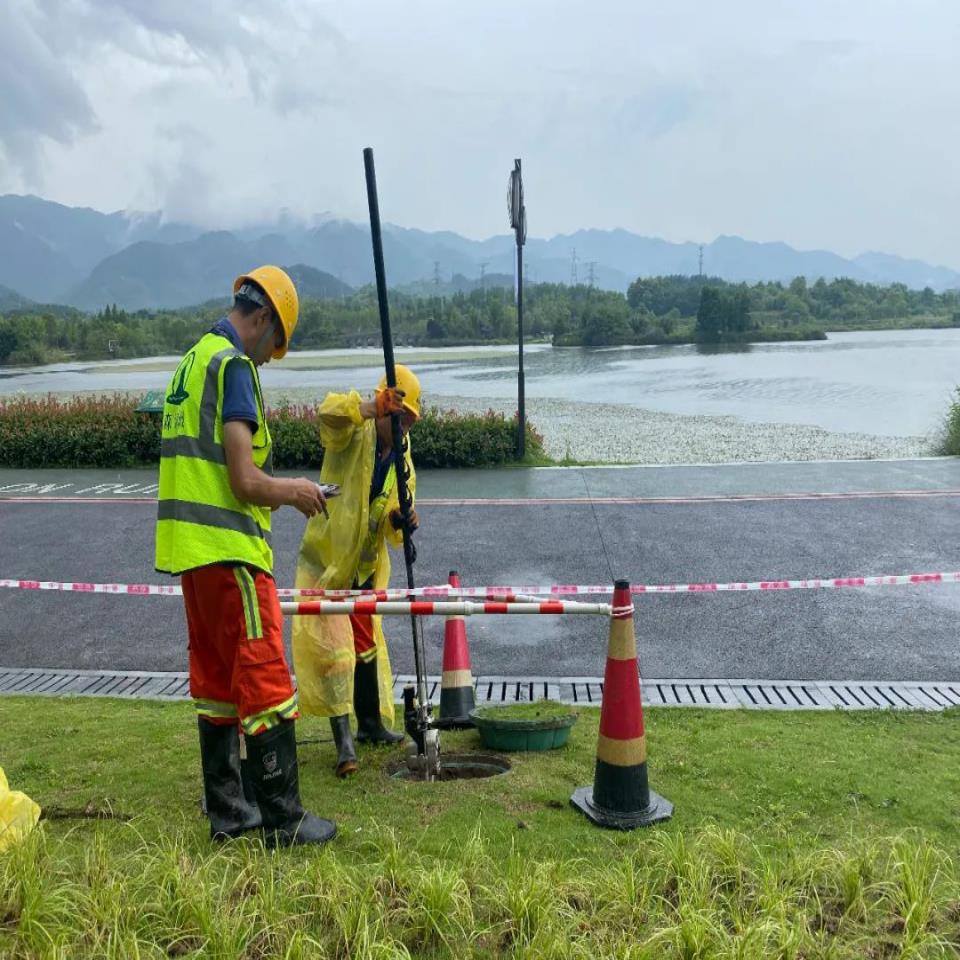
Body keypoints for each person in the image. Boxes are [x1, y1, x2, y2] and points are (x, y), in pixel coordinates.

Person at [155, 265, 336, 847]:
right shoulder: (233, 366)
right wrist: (298, 491)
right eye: (270, 348)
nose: (264, 360)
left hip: (190, 553)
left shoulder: (192, 361)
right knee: (263, 678)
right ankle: (283, 819)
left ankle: (230, 815)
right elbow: (243, 478)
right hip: (232, 551)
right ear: (262, 319)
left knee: (214, 682)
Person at [292, 365, 421, 777]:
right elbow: (327, 414)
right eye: (397, 417)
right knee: (335, 651)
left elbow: (390, 512)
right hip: (328, 561)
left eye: (408, 421)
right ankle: (344, 743)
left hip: (363, 567)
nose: (402, 428)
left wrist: (401, 519)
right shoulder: (353, 430)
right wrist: (367, 407)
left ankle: (368, 725)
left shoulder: (402, 457)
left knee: (364, 645)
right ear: (383, 407)